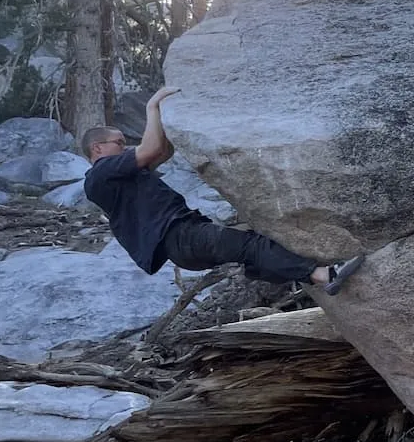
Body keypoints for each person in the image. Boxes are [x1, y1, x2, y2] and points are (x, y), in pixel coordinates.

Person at [81, 86, 364, 295]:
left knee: (251, 249)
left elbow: (161, 151)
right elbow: (150, 149)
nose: (125, 147)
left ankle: (293, 277)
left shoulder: (115, 177)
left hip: (185, 242)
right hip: (181, 238)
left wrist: (171, 115)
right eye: (119, 142)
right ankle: (323, 275)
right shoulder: (101, 173)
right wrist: (152, 107)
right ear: (98, 148)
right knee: (251, 246)